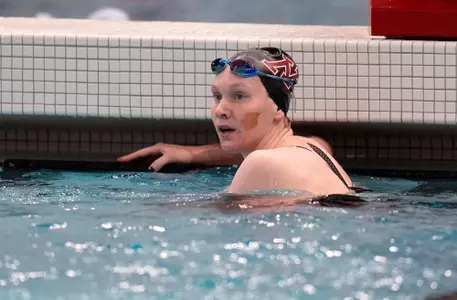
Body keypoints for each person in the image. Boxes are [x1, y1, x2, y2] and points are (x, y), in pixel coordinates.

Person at [118, 47, 364, 200]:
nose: (221, 110)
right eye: (217, 97)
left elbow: (210, 218)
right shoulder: (312, 146)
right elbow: (255, 155)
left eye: (239, 96)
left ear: (278, 108)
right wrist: (190, 155)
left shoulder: (261, 163)